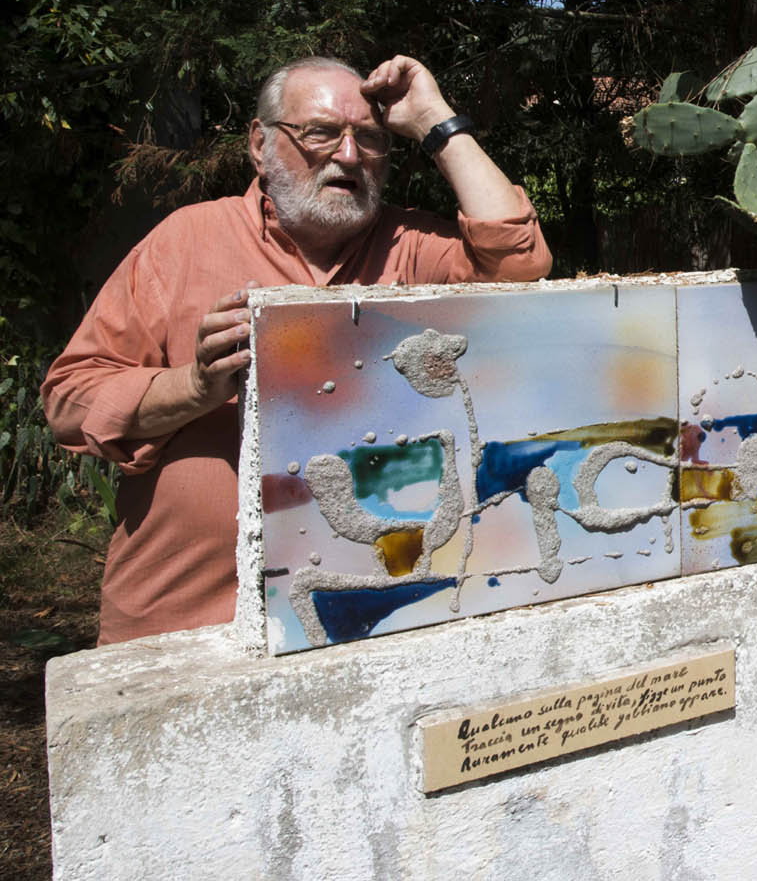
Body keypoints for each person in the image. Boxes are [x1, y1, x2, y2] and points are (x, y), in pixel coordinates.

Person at [42, 55, 552, 643]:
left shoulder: (412, 247)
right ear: (260, 144)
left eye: (369, 138)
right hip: (189, 621)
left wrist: (436, 119)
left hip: (379, 617)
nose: (349, 155)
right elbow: (69, 401)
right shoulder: (183, 243)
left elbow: (519, 261)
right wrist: (193, 387)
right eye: (320, 133)